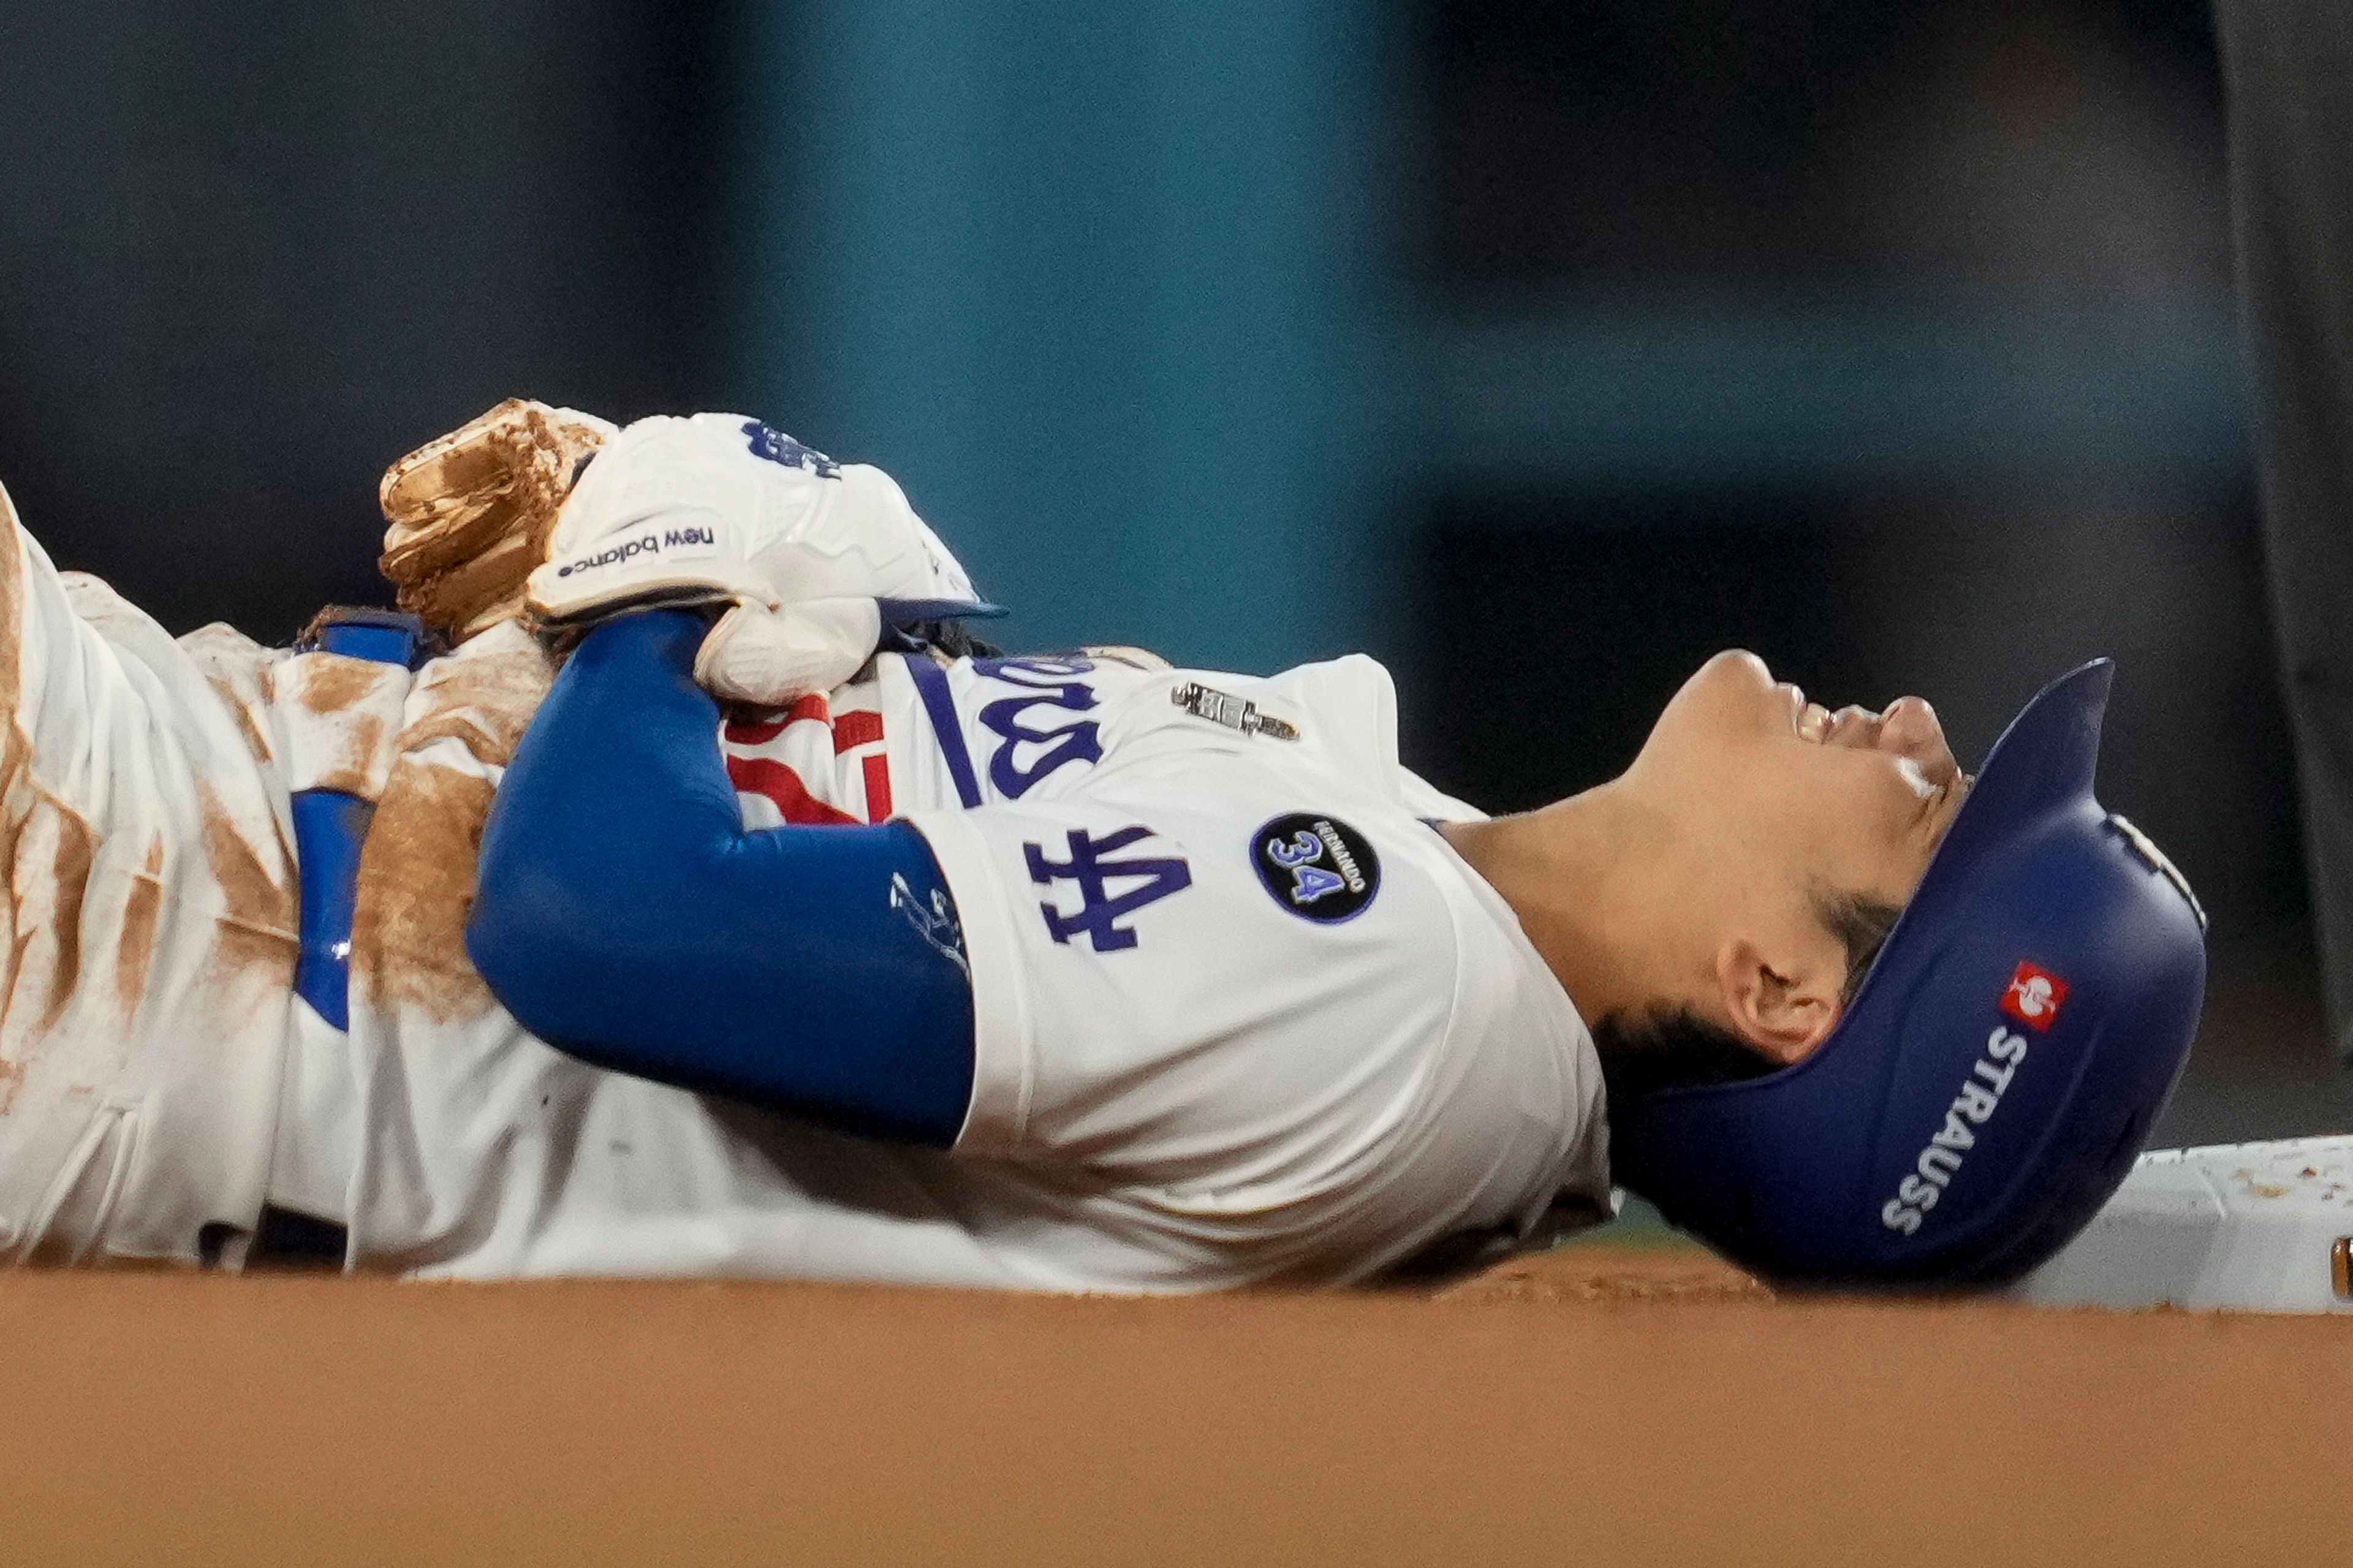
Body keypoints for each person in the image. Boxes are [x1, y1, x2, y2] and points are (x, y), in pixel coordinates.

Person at [0, 401, 2202, 1289]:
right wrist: (548, 624)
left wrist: (658, 584)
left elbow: (600, 931)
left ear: (1784, 996)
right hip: (173, 833)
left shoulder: (1390, 992)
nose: (1914, 725)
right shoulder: (1405, 871)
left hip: (145, 938)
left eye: (1936, 808)